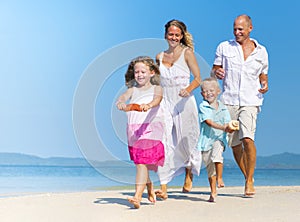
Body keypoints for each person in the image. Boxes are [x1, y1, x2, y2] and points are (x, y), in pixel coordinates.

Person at [211, 14, 269, 196]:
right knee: (235, 145)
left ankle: (249, 181)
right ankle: (246, 176)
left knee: (247, 138)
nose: (237, 32)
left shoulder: (262, 51)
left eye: (240, 29)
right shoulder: (224, 47)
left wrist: (265, 83)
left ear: (250, 28)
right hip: (228, 100)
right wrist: (216, 72)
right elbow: (215, 69)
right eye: (235, 29)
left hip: (251, 101)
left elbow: (263, 74)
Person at [155, 19, 202, 200]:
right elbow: (157, 82)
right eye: (170, 34)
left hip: (184, 101)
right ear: (166, 35)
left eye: (177, 34)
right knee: (164, 141)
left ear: (182, 36)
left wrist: (188, 90)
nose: (173, 37)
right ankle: (164, 187)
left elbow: (197, 78)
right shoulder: (159, 56)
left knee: (187, 140)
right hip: (166, 102)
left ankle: (189, 170)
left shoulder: (187, 53)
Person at [116, 56, 165, 208]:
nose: (139, 74)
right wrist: (121, 102)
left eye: (143, 71)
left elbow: (157, 99)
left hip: (151, 129)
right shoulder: (132, 89)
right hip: (134, 131)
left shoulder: (157, 88)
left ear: (151, 73)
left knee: (142, 162)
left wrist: (149, 105)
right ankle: (149, 185)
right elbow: (123, 97)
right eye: (136, 72)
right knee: (140, 163)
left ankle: (137, 196)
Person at [197, 77, 233, 202]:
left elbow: (228, 122)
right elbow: (208, 122)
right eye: (205, 91)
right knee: (210, 168)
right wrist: (224, 127)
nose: (209, 93)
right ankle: (213, 191)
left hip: (219, 138)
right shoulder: (203, 106)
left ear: (218, 91)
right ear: (202, 94)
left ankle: (220, 178)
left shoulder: (223, 107)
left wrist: (230, 128)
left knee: (217, 156)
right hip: (206, 141)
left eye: (211, 90)